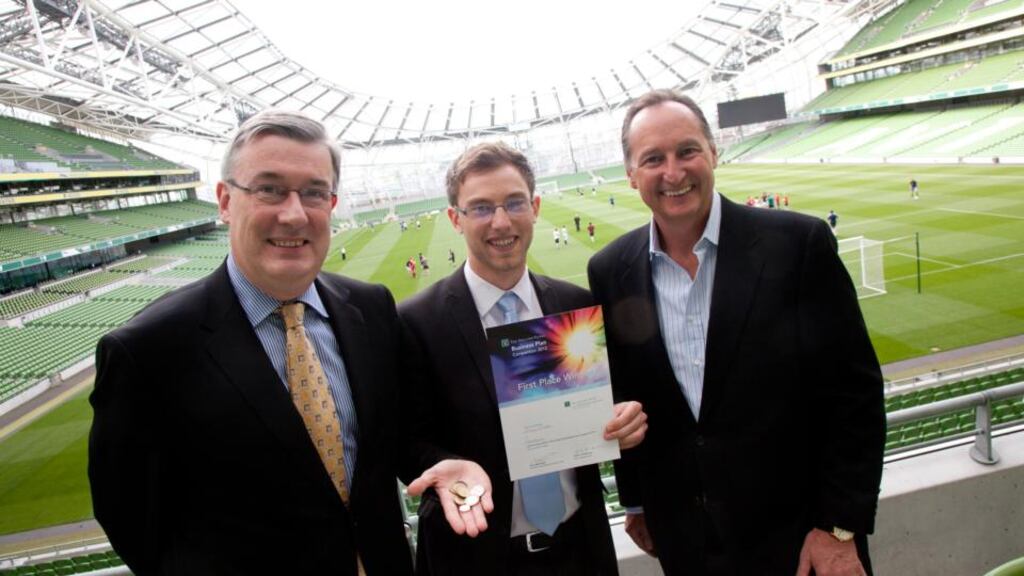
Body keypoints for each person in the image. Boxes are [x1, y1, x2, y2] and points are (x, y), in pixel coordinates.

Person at [88, 110, 489, 576]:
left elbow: (392, 440)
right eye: (270, 189)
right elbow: (130, 519)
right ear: (224, 201)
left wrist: (445, 463)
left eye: (314, 192)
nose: (294, 213)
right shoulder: (148, 350)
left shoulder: (370, 309)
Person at [587, 90, 885, 576]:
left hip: (804, 541)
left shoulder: (797, 245)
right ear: (631, 174)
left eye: (687, 151)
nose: (674, 172)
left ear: (713, 152)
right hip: (688, 544)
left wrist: (839, 527)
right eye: (653, 159)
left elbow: (856, 394)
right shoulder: (610, 270)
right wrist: (637, 502)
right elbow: (629, 396)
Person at [400, 142, 647, 576]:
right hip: (475, 558)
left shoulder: (576, 304)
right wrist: (443, 471)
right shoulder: (416, 321)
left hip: (580, 548)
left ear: (534, 207)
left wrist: (621, 419)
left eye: (514, 203)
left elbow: (600, 409)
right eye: (480, 208)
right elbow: (402, 440)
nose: (501, 222)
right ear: (455, 219)